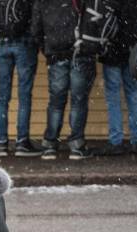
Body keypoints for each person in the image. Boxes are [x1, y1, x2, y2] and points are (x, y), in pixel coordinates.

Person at [32, 0, 100, 160]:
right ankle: (76, 145)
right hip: (79, 52)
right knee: (78, 100)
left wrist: (47, 48)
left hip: (55, 54)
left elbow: (35, 29)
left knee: (56, 101)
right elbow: (93, 20)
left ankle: (50, 144)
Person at [0, 0, 44, 157]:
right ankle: (22, 142)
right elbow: (34, 18)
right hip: (24, 44)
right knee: (24, 94)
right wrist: (36, 40)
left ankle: (0, 142)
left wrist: (1, 36)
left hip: (2, 44)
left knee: (2, 96)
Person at [98, 0, 137, 156]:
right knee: (132, 94)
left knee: (113, 96)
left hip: (111, 52)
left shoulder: (109, 2)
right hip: (131, 52)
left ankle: (116, 141)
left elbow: (101, 21)